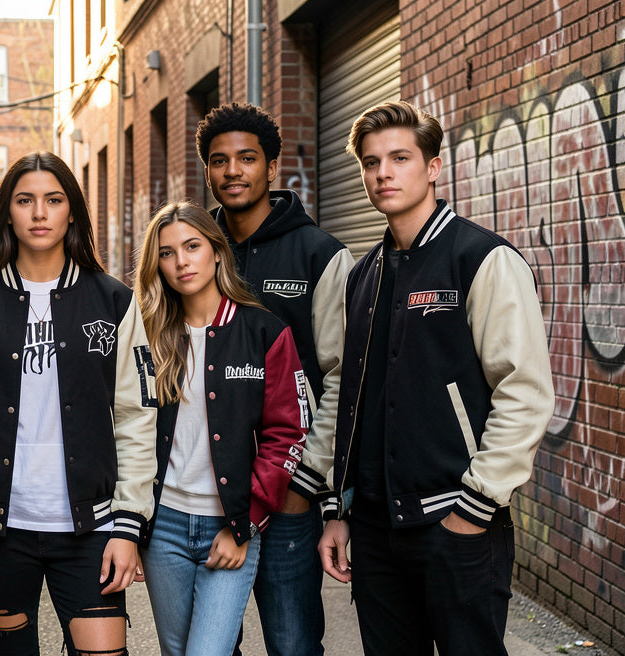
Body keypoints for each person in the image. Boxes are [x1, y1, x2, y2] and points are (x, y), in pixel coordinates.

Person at [317, 100, 554, 655]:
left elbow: (524, 392)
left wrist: (475, 507)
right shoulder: (363, 275)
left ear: (433, 166)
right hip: (375, 530)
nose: (384, 173)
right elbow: (353, 400)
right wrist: (339, 510)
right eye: (371, 163)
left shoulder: (481, 259)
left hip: (457, 521)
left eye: (400, 158)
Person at [0, 151, 157, 656]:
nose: (39, 213)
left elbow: (137, 418)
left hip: (93, 527)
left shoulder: (114, 302)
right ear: (7, 211)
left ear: (72, 210)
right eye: (24, 200)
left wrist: (129, 525)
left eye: (53, 200)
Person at [196, 102, 352, 656]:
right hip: (209, 494)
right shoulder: (196, 253)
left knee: (293, 644)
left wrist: (306, 481)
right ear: (208, 171)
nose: (233, 171)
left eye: (246, 158)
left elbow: (341, 378)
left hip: (287, 495)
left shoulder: (320, 255)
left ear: (270, 166)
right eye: (219, 161)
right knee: (214, 644)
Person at [133, 201, 308, 656]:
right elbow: (125, 429)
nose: (181, 262)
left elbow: (286, 435)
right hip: (163, 525)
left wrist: (246, 523)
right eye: (167, 253)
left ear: (216, 251)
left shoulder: (264, 331)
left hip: (229, 524)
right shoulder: (147, 335)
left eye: (192, 246)